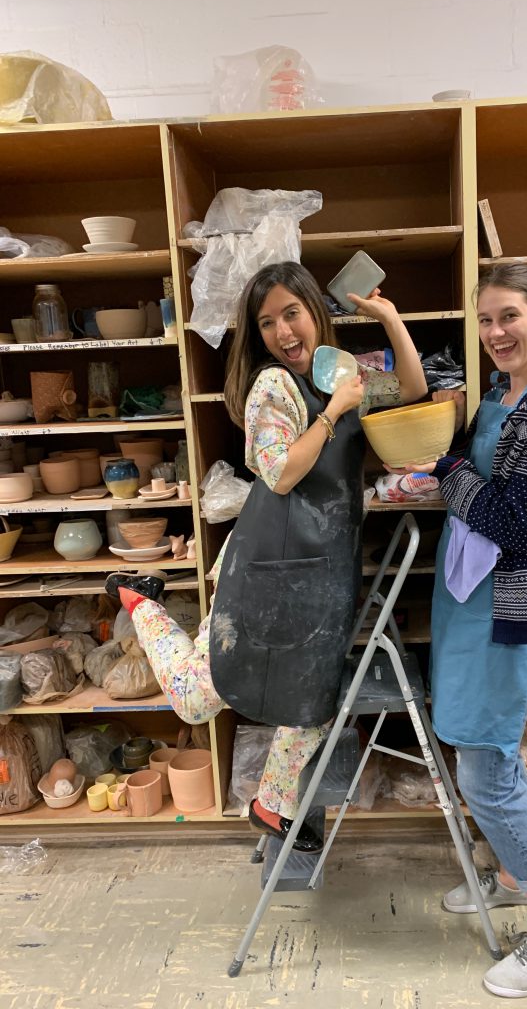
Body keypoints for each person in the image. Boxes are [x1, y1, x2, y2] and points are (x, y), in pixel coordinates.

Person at [110, 261, 426, 855]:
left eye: (292, 313)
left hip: (323, 567)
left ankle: (271, 802)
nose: (284, 332)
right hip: (265, 567)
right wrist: (334, 412)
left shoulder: (341, 373)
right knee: (199, 695)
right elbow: (279, 473)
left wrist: (388, 319)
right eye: (267, 322)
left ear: (316, 313)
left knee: (313, 697)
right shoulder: (272, 388)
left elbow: (410, 390)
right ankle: (140, 604)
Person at [397, 263, 527, 999]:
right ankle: (511, 874)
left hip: (509, 605)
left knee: (488, 770)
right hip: (469, 596)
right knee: (477, 745)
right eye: (484, 320)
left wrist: (446, 469)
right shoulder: (506, 394)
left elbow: (515, 522)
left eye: (508, 316)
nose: (495, 333)